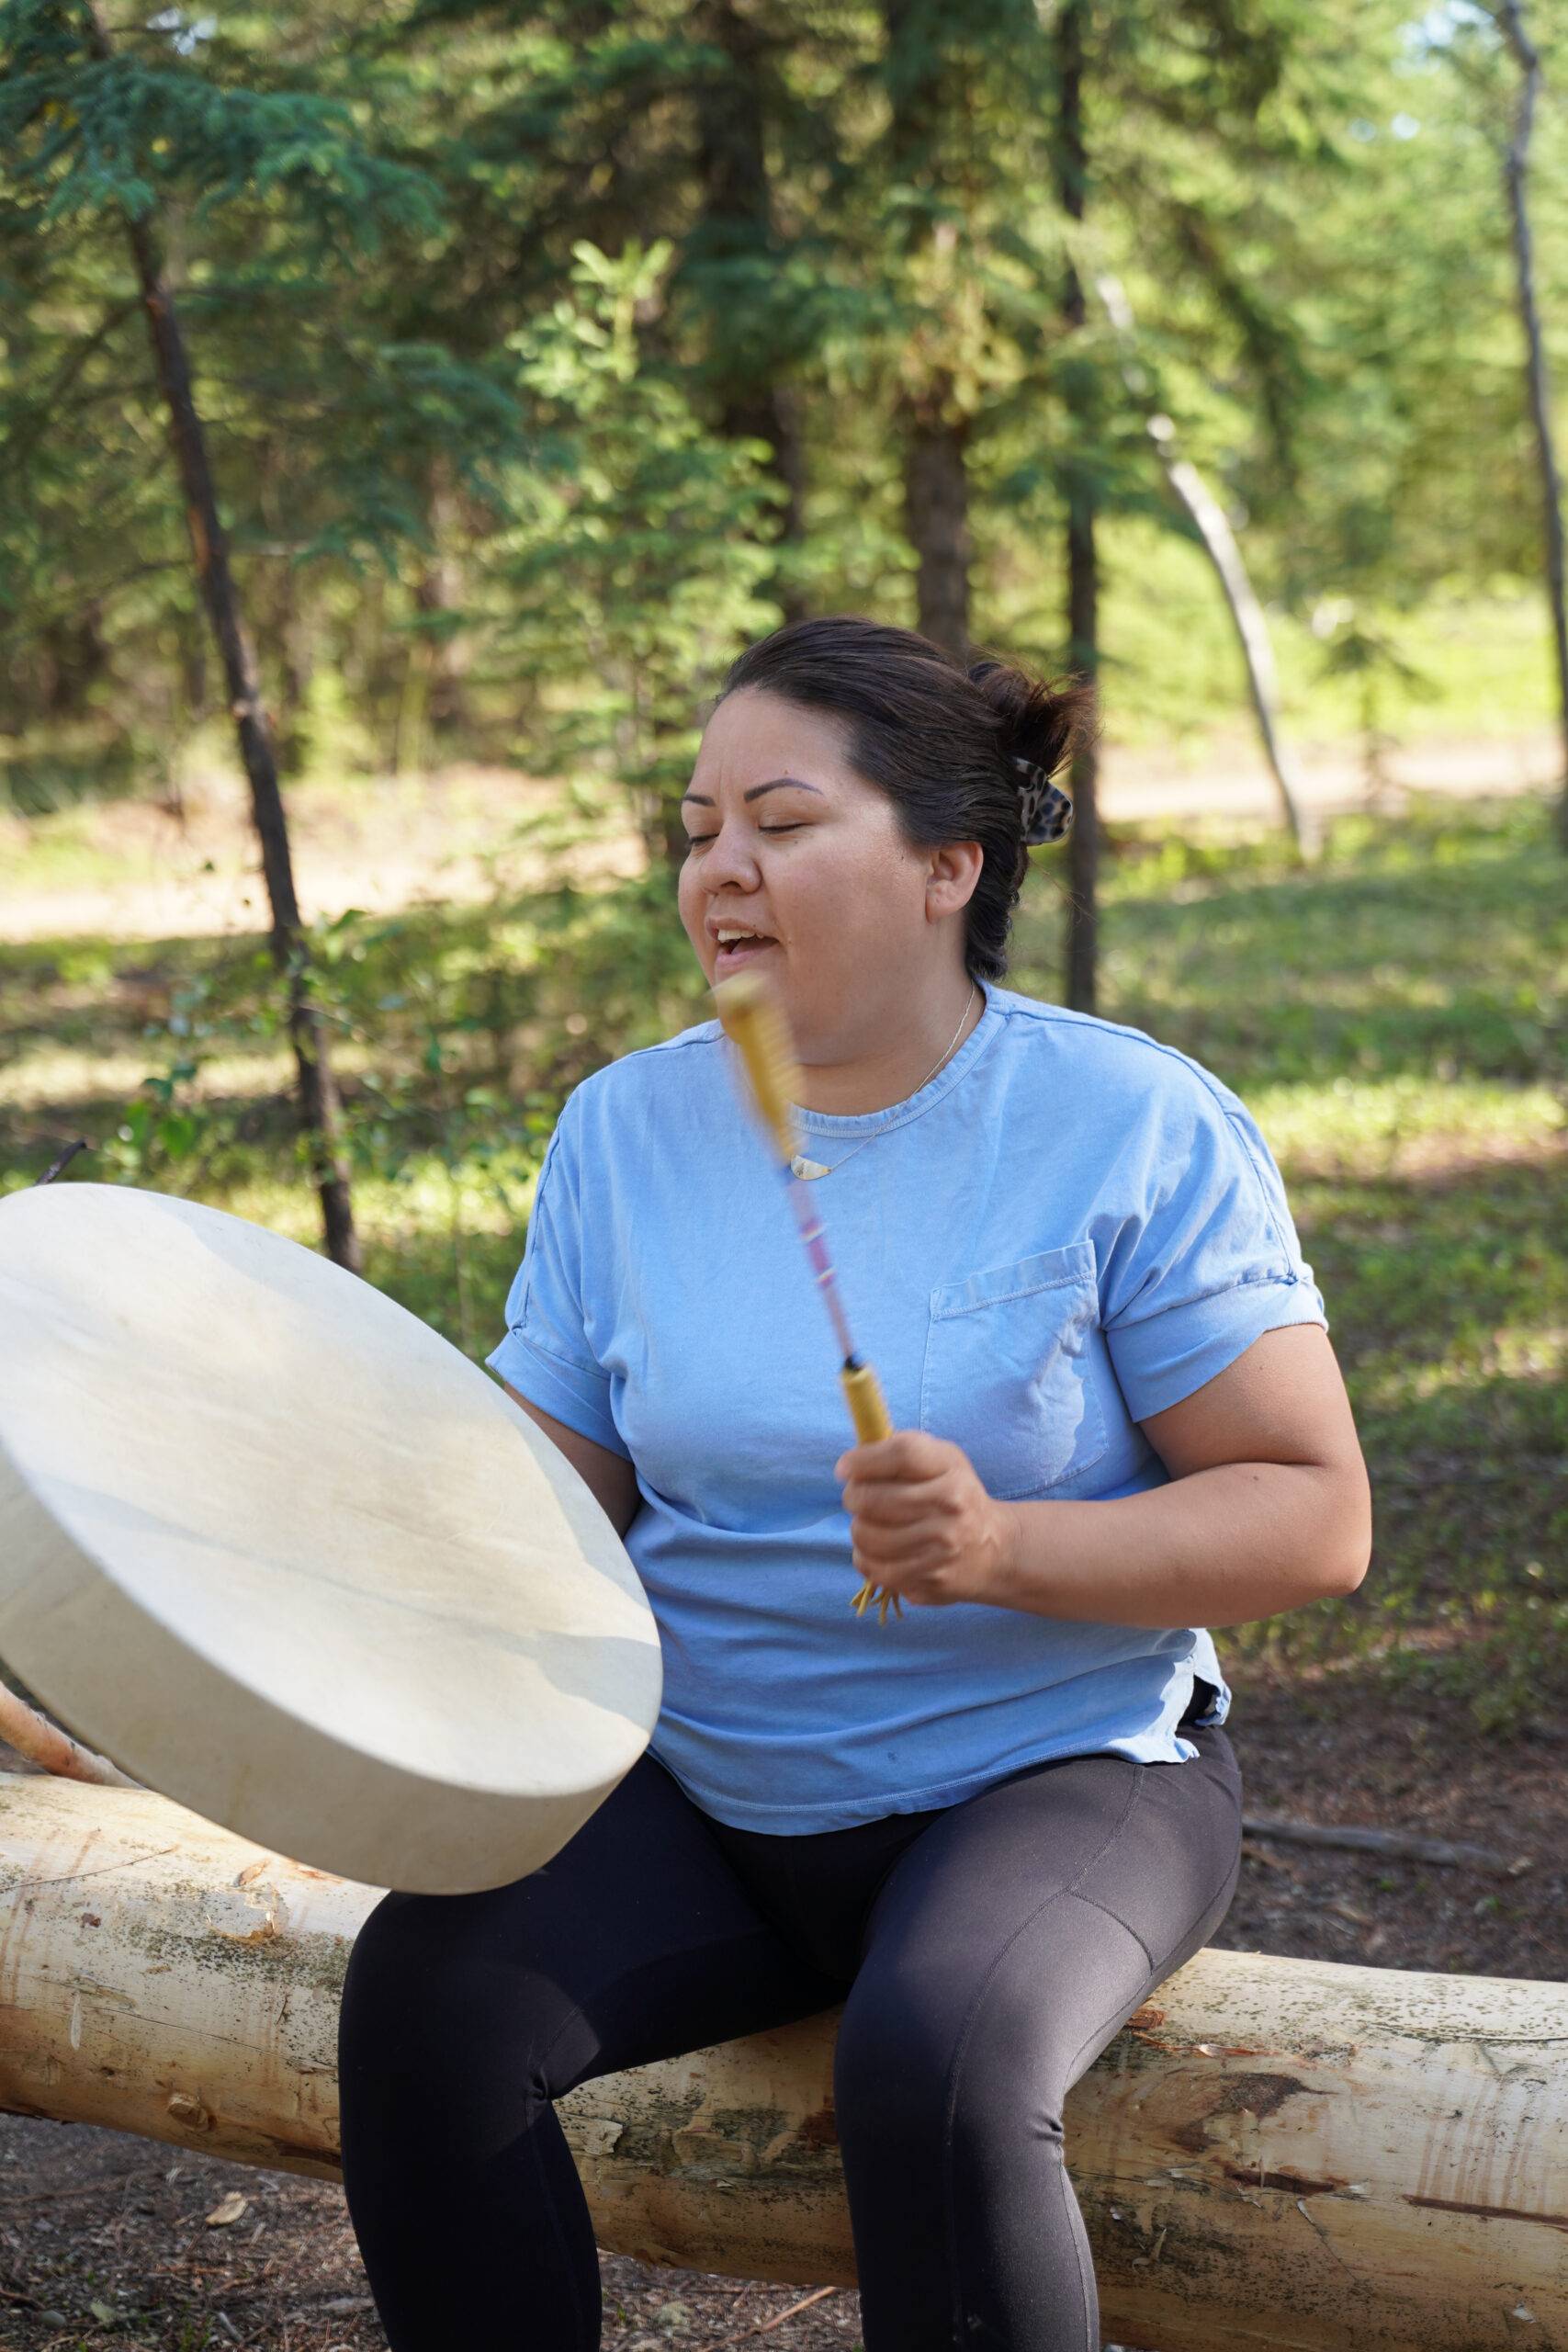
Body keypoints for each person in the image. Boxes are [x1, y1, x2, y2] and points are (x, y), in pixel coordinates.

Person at [336, 615, 1372, 2351]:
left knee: (938, 2065)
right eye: (695, 830)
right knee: (427, 2007)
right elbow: (546, 1488)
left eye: (781, 822)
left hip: (1059, 1777)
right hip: (712, 1787)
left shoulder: (1132, 1125)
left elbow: (1315, 1513)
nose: (717, 870)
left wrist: (1004, 1542)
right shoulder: (623, 1131)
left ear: (945, 865)